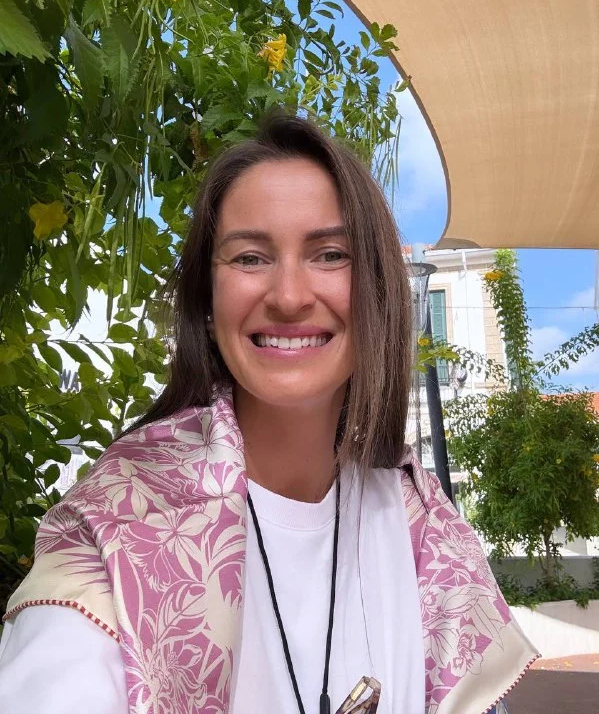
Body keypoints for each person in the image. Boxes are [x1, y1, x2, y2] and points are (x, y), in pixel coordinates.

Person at [0, 114, 536, 714]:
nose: (288, 296)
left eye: (330, 255)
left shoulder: (423, 528)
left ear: (379, 294)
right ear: (208, 303)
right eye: (250, 258)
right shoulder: (122, 526)